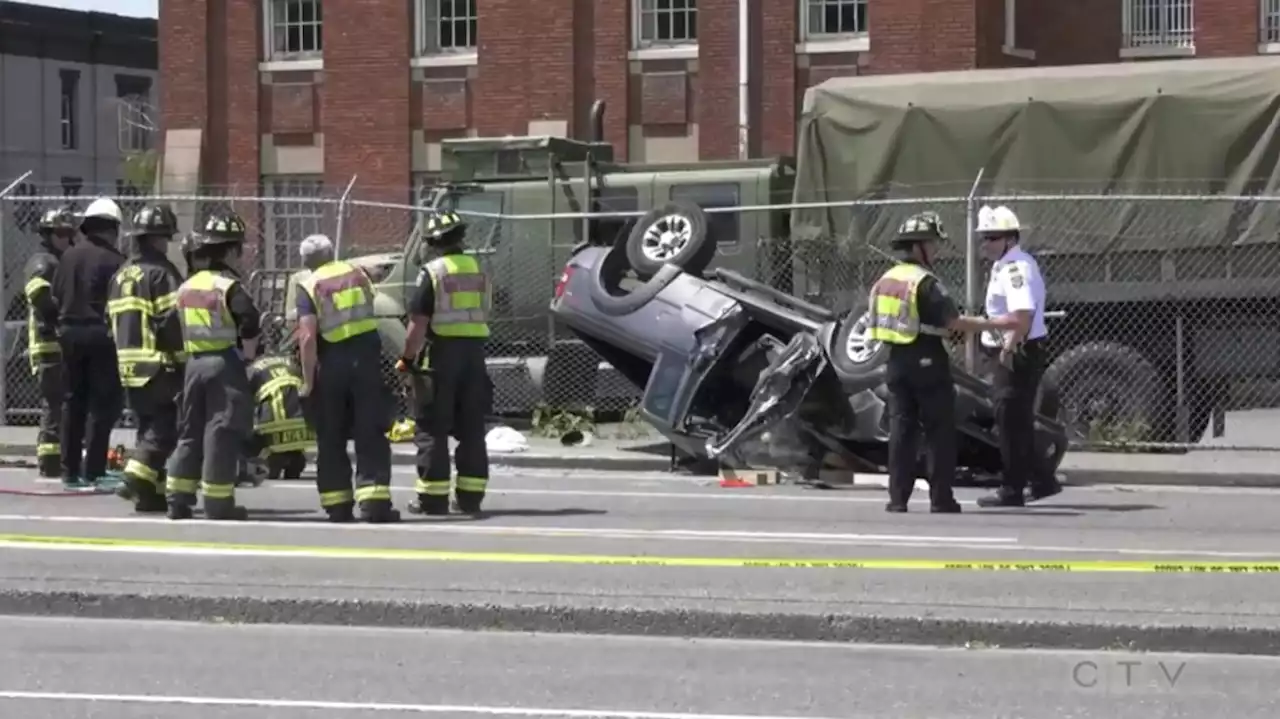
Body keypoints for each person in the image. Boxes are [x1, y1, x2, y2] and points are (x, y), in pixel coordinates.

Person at [866, 212, 1002, 514]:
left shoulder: (885, 279)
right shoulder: (925, 282)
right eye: (932, 243)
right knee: (939, 431)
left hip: (896, 362)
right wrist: (993, 324)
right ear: (918, 247)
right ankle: (941, 498)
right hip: (927, 361)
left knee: (902, 432)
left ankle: (897, 499)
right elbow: (953, 321)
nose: (937, 249)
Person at [295, 233, 398, 523]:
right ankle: (374, 501)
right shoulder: (358, 274)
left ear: (306, 261)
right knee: (370, 430)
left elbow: (306, 337)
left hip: (331, 364)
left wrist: (308, 381)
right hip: (365, 358)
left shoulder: (308, 285)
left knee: (330, 434)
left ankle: (337, 503)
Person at [165, 211, 261, 521]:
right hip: (223, 363)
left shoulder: (186, 286)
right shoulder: (229, 287)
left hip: (193, 364)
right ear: (232, 250)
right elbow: (250, 323)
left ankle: (178, 498)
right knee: (221, 430)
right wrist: (248, 357)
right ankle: (218, 502)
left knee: (190, 431)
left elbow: (168, 326)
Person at [397, 210, 493, 516]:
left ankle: (432, 499)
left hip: (441, 357)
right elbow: (487, 309)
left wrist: (406, 360)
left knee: (432, 428)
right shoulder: (479, 269)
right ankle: (470, 499)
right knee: (472, 428)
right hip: (475, 355)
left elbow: (418, 323)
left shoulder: (433, 272)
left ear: (434, 242)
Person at [972, 205, 1061, 508]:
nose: (984, 244)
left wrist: (1008, 350)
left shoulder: (1014, 269)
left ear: (1009, 239)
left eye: (990, 238)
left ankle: (1013, 489)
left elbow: (1022, 314)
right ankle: (1042, 480)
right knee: (1015, 420)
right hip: (1013, 349)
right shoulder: (1005, 264)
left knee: (1009, 420)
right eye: (983, 238)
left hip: (1015, 352)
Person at [107, 204, 186, 512]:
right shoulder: (162, 274)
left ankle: (150, 494)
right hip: (157, 364)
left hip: (127, 366)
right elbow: (172, 323)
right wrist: (182, 361)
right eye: (165, 238)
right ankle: (134, 477)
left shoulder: (120, 275)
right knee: (168, 425)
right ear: (156, 238)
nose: (167, 243)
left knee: (146, 428)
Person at [51, 197, 126, 489]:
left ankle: (69, 471)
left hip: (68, 333)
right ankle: (93, 469)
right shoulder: (115, 261)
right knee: (101, 404)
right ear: (113, 229)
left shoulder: (68, 257)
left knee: (73, 401)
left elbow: (56, 295)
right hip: (101, 334)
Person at [25, 207, 76, 480]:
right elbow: (39, 296)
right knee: (54, 402)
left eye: (69, 233)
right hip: (48, 343)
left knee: (59, 402)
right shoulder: (43, 261)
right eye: (61, 233)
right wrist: (61, 320)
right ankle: (49, 460)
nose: (66, 238)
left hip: (59, 343)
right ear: (48, 234)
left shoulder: (59, 260)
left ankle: (55, 457)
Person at [246, 351, 312, 480]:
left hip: (274, 417)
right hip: (302, 418)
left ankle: (273, 457)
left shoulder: (253, 369)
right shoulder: (291, 363)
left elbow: (244, 398)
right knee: (290, 440)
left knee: (254, 436)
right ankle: (294, 456)